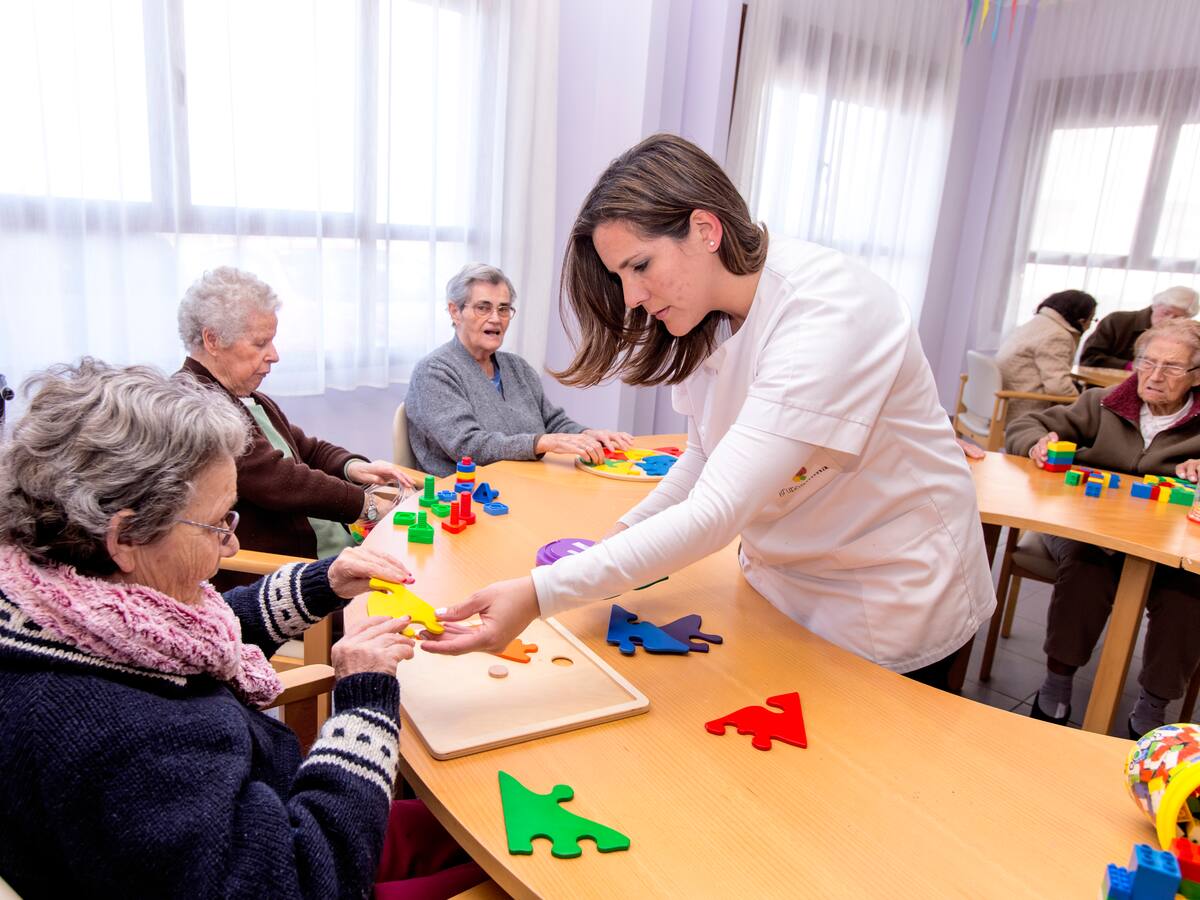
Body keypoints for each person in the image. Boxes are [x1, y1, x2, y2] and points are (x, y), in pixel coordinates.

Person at [423, 134, 996, 690]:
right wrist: (611, 543)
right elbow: (700, 463)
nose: (631, 297)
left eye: (639, 266)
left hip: (886, 593)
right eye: (621, 276)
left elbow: (717, 510)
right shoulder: (706, 315)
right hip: (783, 580)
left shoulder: (827, 310)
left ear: (704, 229)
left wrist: (540, 593)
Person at [0, 360, 485, 898]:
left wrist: (326, 580)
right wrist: (363, 706)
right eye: (217, 523)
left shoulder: (64, 610)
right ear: (126, 536)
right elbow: (303, 883)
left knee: (478, 822)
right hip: (294, 861)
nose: (230, 544)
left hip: (256, 823)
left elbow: (197, 638)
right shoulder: (126, 740)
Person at [1007, 319, 1200, 738]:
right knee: (1086, 565)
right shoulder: (1102, 402)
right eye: (1147, 362)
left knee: (1187, 593)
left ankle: (1153, 706)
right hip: (1086, 527)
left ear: (1196, 376)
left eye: (1172, 367)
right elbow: (1025, 426)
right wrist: (1037, 445)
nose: (1154, 375)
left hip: (1164, 541)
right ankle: (1056, 683)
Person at [178, 267, 417, 560]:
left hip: (331, 549)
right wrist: (366, 504)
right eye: (260, 343)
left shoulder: (245, 397)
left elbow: (307, 449)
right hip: (292, 569)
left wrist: (351, 467)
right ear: (212, 340)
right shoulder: (196, 406)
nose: (274, 354)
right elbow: (277, 480)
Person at [405, 263, 634, 477]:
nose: (495, 319)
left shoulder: (517, 367)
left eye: (503, 309)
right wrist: (542, 443)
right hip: (463, 498)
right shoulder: (434, 371)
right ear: (455, 312)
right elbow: (468, 447)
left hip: (526, 484)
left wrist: (587, 435)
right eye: (483, 308)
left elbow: (552, 423)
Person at [995, 289, 1097, 425]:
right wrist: (1084, 404)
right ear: (1081, 319)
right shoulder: (1057, 335)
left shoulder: (1039, 323)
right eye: (1092, 319)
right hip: (1023, 411)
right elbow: (1059, 387)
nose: (1090, 325)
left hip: (1003, 403)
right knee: (1090, 419)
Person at [1079, 286, 1199, 369]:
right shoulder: (1117, 321)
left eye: (1177, 317)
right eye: (1166, 313)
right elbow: (1089, 358)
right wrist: (1131, 366)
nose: (1169, 321)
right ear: (1155, 306)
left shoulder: (1189, 336)